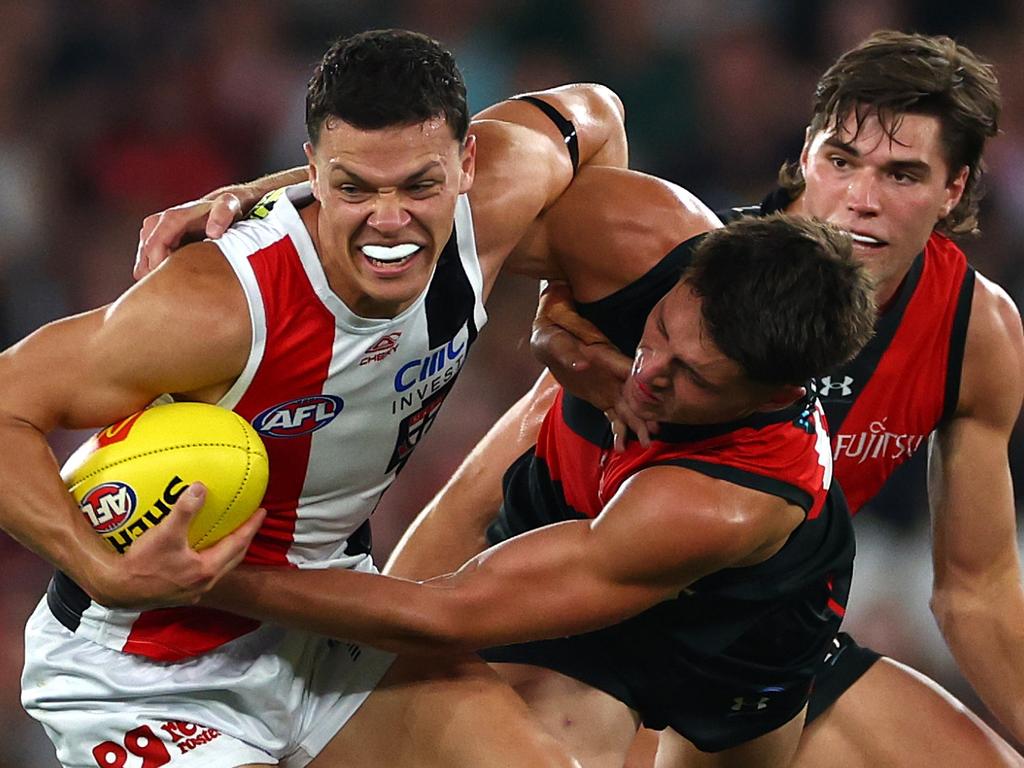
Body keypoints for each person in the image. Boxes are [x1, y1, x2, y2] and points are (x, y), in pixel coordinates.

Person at [1, 28, 630, 768]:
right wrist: (101, 567)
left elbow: (600, 117)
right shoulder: (220, 304)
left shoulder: (499, 195)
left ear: (468, 165)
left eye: (418, 186)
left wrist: (575, 308)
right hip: (146, 674)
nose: (389, 222)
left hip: (328, 622)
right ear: (314, 173)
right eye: (354, 187)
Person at [179, 210, 876, 768]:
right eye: (658, 328)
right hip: (578, 536)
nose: (647, 373)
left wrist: (207, 577)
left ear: (776, 392)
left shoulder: (722, 506)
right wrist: (250, 203)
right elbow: (459, 184)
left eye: (692, 378)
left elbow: (450, 613)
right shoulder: (650, 236)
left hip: (742, 633)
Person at [526, 30, 1024, 767]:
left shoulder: (975, 330)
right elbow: (500, 476)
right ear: (808, 153)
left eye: (903, 175)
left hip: (763, 646)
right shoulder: (693, 270)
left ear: (954, 190)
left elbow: (976, 589)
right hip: (592, 627)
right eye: (842, 161)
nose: (860, 202)